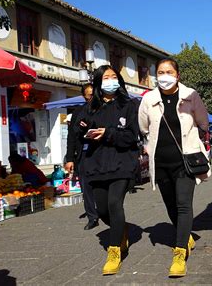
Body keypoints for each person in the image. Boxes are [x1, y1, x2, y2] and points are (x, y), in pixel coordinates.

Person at [138, 58, 210, 278]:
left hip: (185, 162)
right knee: (170, 205)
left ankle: (179, 253)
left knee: (183, 204)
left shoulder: (191, 95)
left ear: (178, 75)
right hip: (160, 163)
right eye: (160, 72)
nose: (164, 76)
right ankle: (184, 234)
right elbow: (143, 127)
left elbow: (204, 122)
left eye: (169, 71)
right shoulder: (148, 99)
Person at [75, 65, 140, 275]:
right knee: (102, 210)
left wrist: (109, 134)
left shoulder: (129, 105)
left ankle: (114, 252)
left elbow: (132, 136)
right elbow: (78, 131)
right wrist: (83, 128)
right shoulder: (89, 107)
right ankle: (120, 230)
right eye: (105, 77)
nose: (110, 80)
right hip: (96, 163)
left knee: (114, 203)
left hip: (121, 163)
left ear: (119, 81)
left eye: (113, 77)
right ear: (98, 83)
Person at [64, 83, 99, 230]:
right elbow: (71, 137)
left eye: (93, 94)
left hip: (100, 152)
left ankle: (104, 209)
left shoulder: (103, 109)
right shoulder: (78, 112)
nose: (91, 97)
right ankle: (92, 216)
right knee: (86, 186)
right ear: (84, 96)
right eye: (88, 95)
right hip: (83, 153)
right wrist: (70, 158)